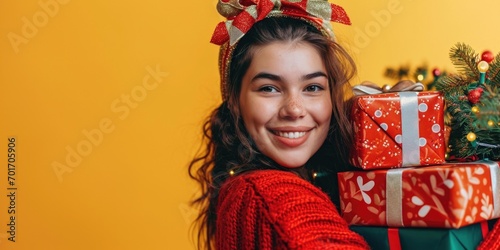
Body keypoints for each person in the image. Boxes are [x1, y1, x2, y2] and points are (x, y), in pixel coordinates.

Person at [189, 0, 369, 249]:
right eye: (269, 88)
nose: (294, 109)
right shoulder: (269, 198)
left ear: (332, 97)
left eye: (313, 88)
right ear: (234, 100)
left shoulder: (318, 178)